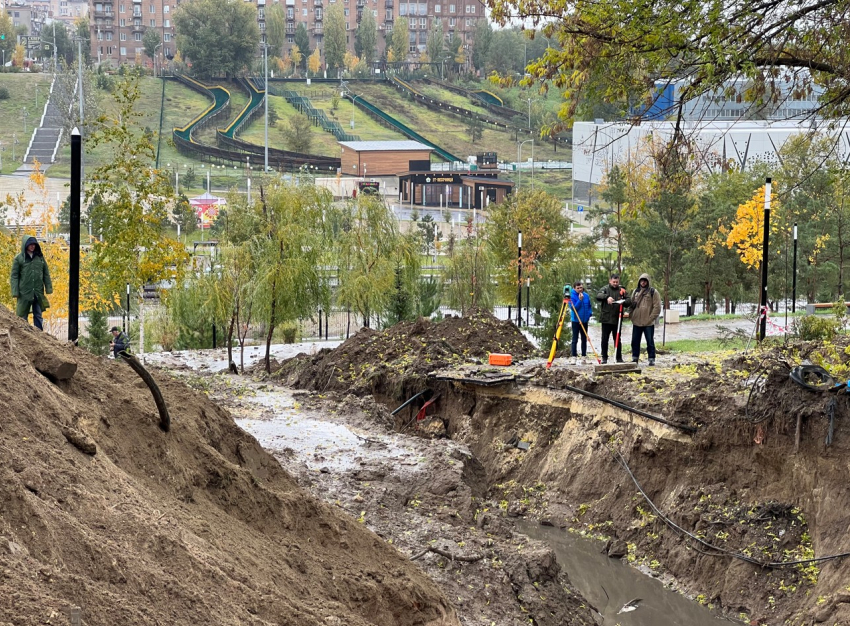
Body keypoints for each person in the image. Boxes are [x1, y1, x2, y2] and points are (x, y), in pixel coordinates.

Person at [10, 235, 53, 331]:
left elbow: (46, 274)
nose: (32, 246)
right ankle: (23, 334)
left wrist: (48, 288)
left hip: (38, 292)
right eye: (30, 244)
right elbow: (14, 276)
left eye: (34, 244)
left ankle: (39, 335)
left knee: (38, 315)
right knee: (22, 315)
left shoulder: (40, 258)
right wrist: (15, 291)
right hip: (24, 293)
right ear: (25, 245)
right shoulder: (19, 259)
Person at [596, 273, 631, 363]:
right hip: (606, 319)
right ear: (610, 281)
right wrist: (606, 297)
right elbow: (598, 296)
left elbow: (629, 300)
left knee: (617, 339)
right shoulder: (605, 289)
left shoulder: (622, 290)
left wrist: (623, 300)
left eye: (617, 282)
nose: (615, 283)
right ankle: (604, 357)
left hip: (617, 319)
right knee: (604, 339)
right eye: (614, 282)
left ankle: (618, 357)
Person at [630, 273, 662, 365]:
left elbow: (657, 307)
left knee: (650, 342)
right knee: (635, 341)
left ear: (648, 282)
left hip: (648, 322)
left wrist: (651, 318)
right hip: (636, 321)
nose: (643, 282)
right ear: (639, 281)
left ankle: (651, 358)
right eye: (641, 280)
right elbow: (631, 305)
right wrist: (632, 316)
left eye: (645, 281)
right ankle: (635, 358)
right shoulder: (635, 291)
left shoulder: (653, 292)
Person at [569, 281, 593, 361]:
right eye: (578, 288)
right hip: (576, 320)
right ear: (574, 288)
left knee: (584, 338)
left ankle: (584, 355)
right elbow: (574, 308)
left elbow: (589, 306)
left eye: (581, 288)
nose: (580, 289)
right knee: (575, 338)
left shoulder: (586, 295)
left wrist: (589, 314)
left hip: (584, 320)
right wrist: (580, 300)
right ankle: (574, 356)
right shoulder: (571, 296)